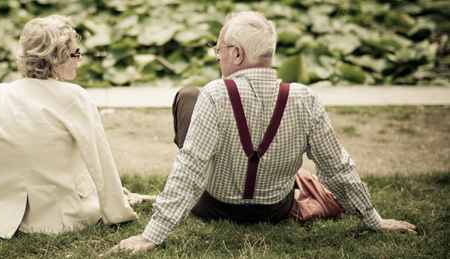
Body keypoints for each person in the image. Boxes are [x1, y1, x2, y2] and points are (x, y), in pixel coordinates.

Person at [115, 11, 416, 253]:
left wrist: (151, 235)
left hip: (213, 206)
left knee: (188, 96)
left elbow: (190, 167)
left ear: (236, 53)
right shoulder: (304, 98)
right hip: (275, 209)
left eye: (218, 50)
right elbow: (337, 167)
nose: (217, 56)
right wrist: (374, 220)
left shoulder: (214, 94)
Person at [0, 15, 143, 239]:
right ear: (58, 58)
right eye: (75, 53)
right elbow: (99, 161)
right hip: (63, 215)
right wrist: (117, 208)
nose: (80, 58)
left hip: (1, 213)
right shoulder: (74, 97)